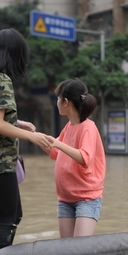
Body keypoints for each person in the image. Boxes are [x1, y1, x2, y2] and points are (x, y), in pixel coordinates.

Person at [0, 28, 50, 253]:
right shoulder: (2, 81)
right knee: (7, 220)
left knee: (14, 215)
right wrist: (32, 136)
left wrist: (19, 122)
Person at [43, 78, 106, 238]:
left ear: (66, 102)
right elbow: (56, 153)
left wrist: (57, 143)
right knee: (67, 252)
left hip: (86, 198)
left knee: (79, 250)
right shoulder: (68, 126)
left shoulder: (88, 127)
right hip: (65, 198)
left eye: (58, 98)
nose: (56, 101)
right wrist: (38, 138)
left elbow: (84, 157)